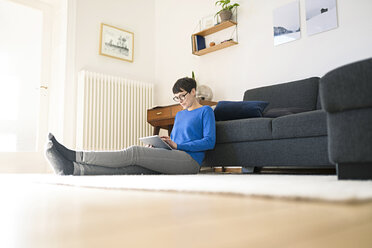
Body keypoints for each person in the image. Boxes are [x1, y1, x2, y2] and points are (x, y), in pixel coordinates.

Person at [45, 77, 216, 175]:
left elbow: (209, 142)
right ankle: (73, 169)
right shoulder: (180, 115)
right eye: (176, 98)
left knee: (134, 152)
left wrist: (177, 145)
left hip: (190, 162)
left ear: (193, 91)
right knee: (132, 168)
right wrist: (160, 147)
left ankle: (75, 155)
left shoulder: (205, 111)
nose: (180, 101)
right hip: (175, 156)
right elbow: (175, 142)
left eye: (182, 96)